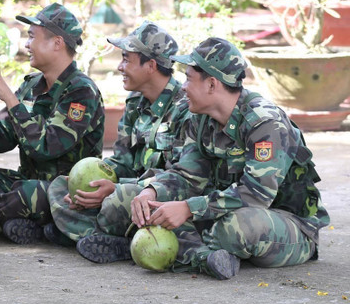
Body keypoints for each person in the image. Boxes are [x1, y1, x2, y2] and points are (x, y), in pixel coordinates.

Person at [117, 38, 328, 279]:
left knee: (236, 226)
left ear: (211, 84)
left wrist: (188, 208)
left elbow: (257, 195)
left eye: (188, 78)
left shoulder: (265, 123)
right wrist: (152, 192)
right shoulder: (199, 118)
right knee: (156, 210)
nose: (182, 87)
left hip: (286, 224)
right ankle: (206, 258)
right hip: (225, 211)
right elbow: (187, 176)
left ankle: (188, 251)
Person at [0, 3, 104, 244]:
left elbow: (47, 147)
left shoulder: (81, 91)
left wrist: (7, 95)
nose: (26, 45)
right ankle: (18, 223)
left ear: (57, 43)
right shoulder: (31, 86)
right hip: (25, 181)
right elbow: (1, 138)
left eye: (31, 37)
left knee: (26, 195)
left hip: (61, 192)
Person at [47, 21, 191, 258]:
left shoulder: (184, 109)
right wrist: (89, 186)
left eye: (126, 59)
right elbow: (122, 160)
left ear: (151, 66)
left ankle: (87, 233)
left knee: (117, 201)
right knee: (61, 185)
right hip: (130, 190)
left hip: (159, 196)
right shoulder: (136, 102)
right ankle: (110, 238)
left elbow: (179, 178)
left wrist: (117, 187)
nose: (119, 67)